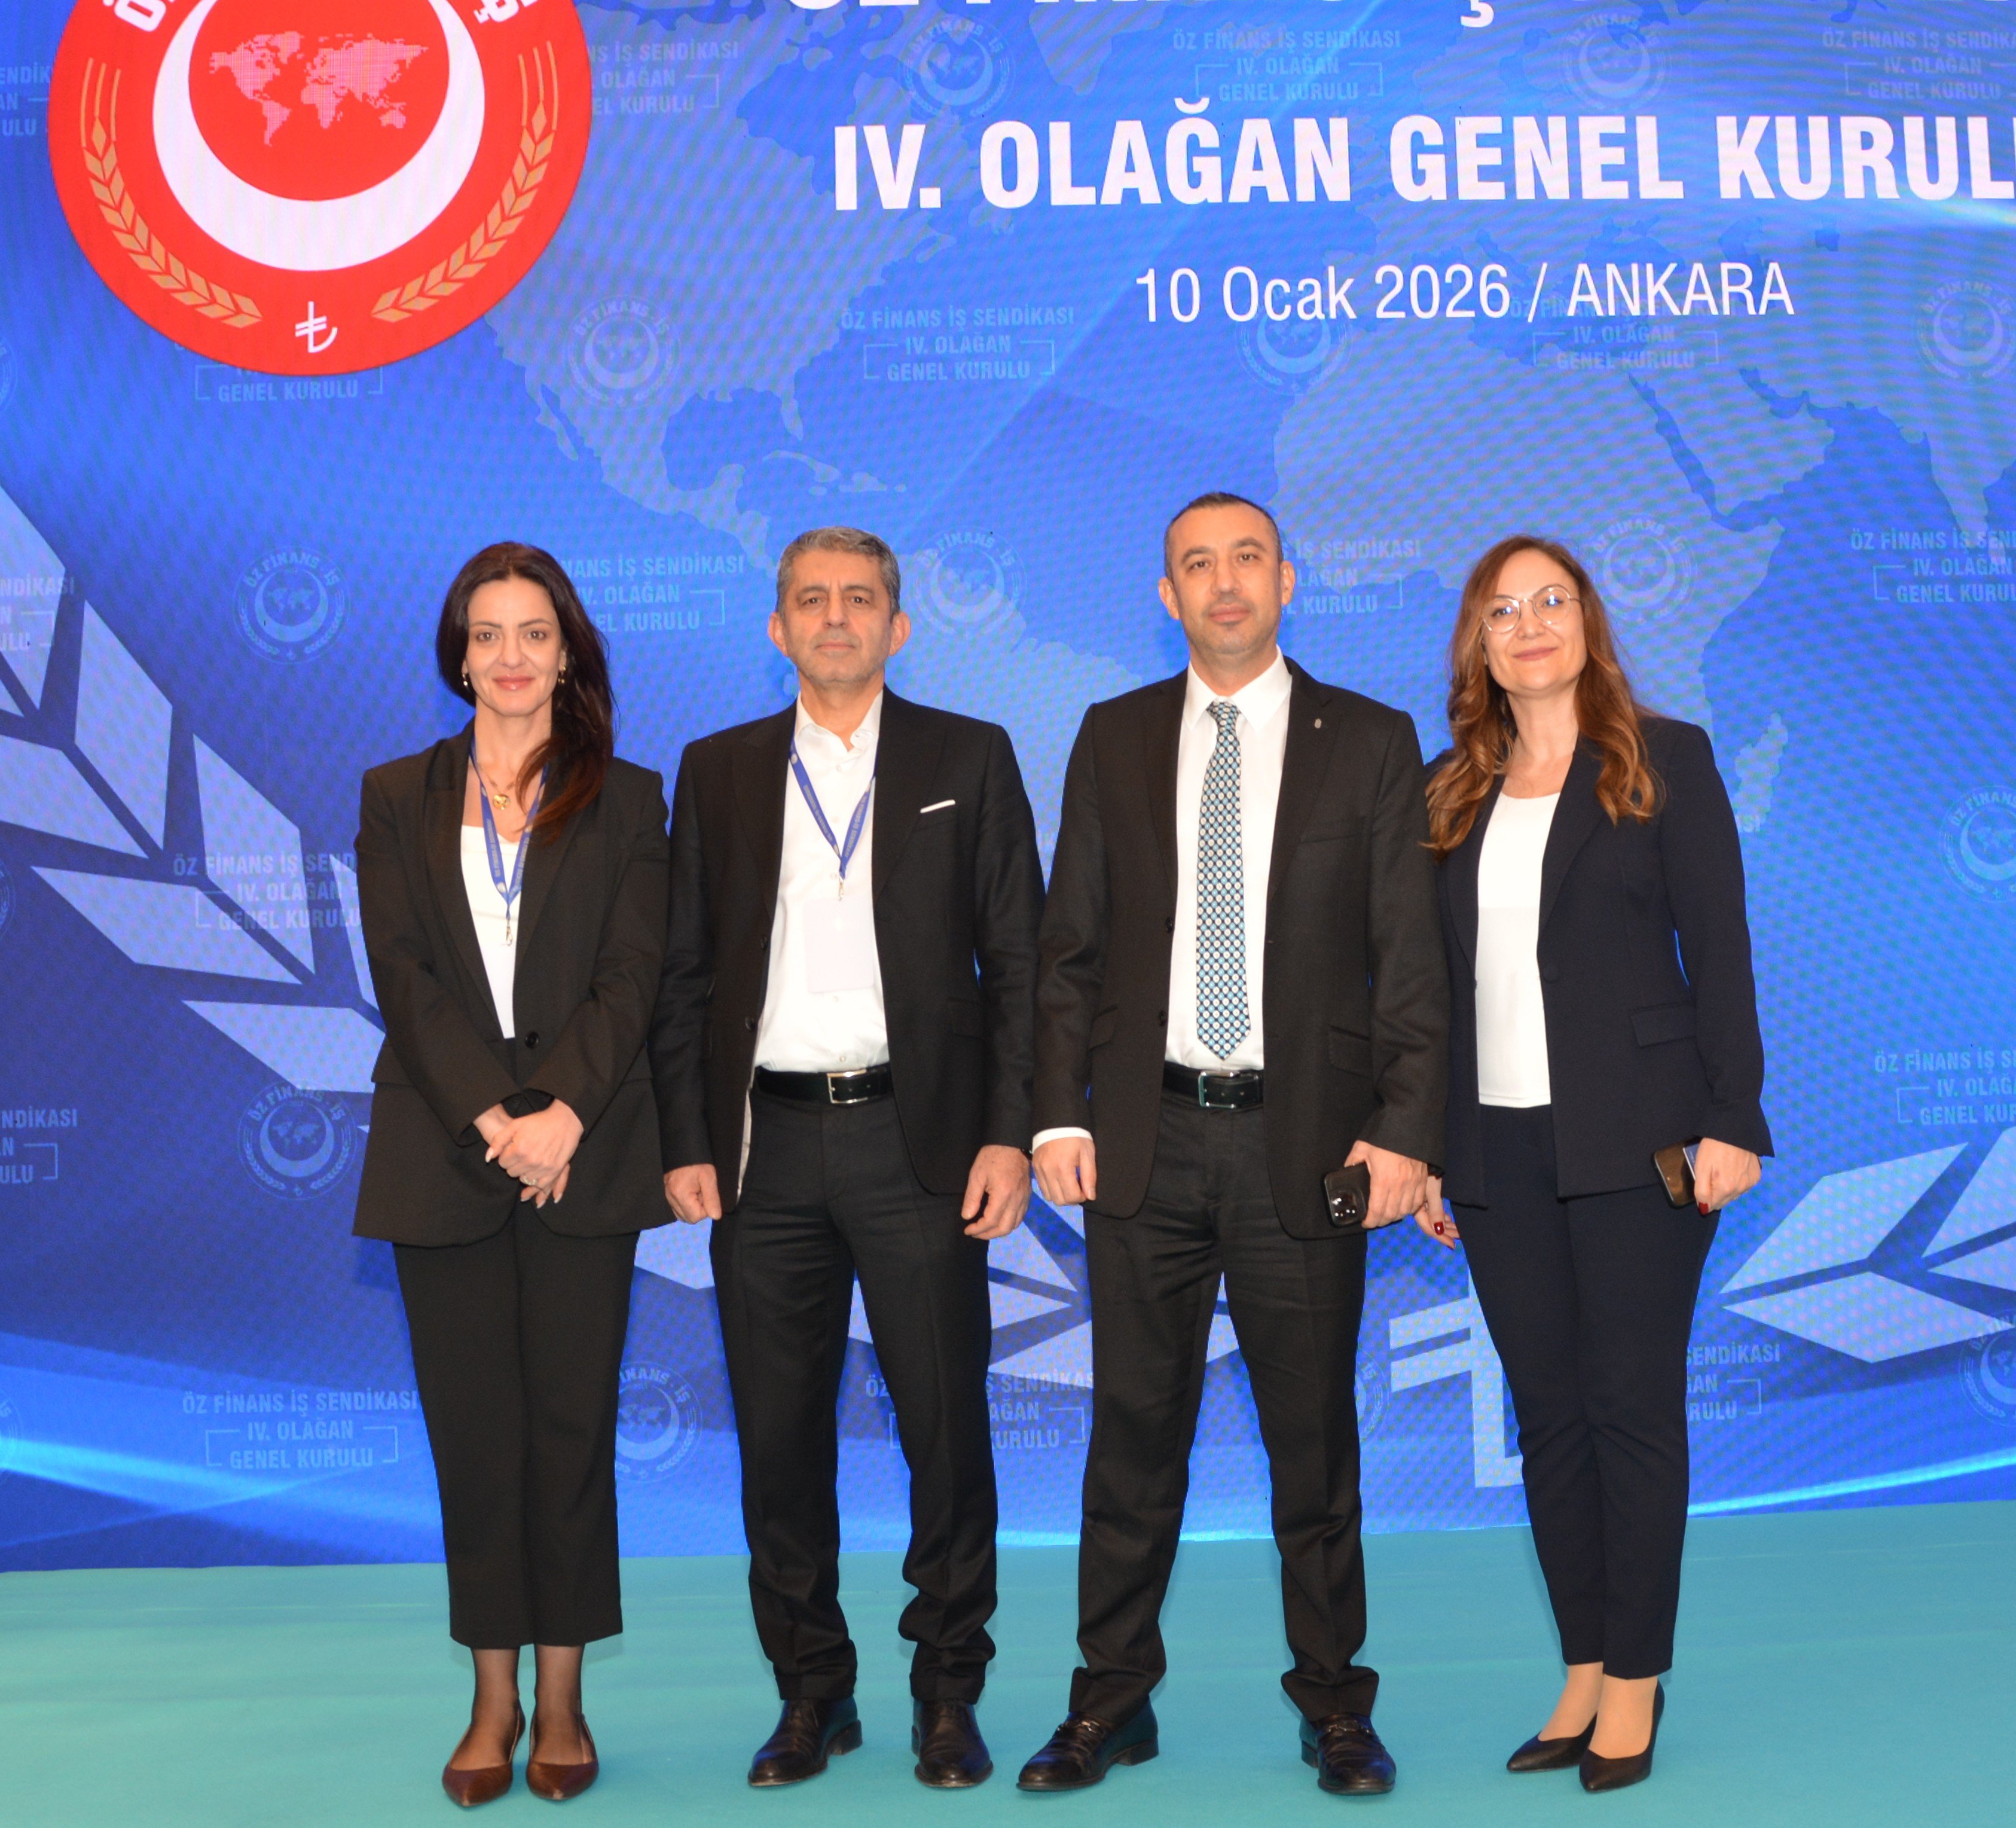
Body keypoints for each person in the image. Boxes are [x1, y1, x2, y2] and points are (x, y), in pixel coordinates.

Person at [1020, 492, 1448, 1796]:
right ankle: (1109, 1702)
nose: (1224, 583)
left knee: (1313, 1446)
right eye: (1197, 565)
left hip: (1304, 1151)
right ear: (1167, 596)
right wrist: (1056, 1111)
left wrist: (1404, 1131)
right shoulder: (1114, 734)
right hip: (1144, 1142)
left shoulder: (1368, 739)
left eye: (1246, 558)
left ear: (1287, 580)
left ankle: (1336, 1708)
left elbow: (1409, 957)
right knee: (1131, 1441)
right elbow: (1068, 946)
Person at [649, 527, 1043, 1790]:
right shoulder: (717, 769)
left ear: (898, 625)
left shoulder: (969, 757)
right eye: (811, 599)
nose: (835, 617)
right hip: (761, 1153)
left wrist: (1009, 1133)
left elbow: (1021, 965)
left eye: (859, 598)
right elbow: (682, 971)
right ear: (777, 627)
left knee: (946, 1431)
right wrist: (688, 1140)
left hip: (918, 1143)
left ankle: (948, 1690)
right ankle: (812, 1691)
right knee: (778, 1440)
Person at [1413, 535, 1769, 1793]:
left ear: (1589, 621)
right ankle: (1582, 1664)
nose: (1530, 624)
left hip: (1641, 1141)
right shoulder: (1449, 788)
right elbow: (1428, 988)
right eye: (1502, 609)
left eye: (1551, 600)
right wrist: (1433, 1148)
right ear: (1479, 643)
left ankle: (1637, 1678)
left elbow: (1720, 949)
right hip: (1496, 1148)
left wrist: (1737, 1118)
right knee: (1549, 1419)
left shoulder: (1664, 759)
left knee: (1629, 1407)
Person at [353, 544, 670, 1808]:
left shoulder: (629, 796)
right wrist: (497, 1119)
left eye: (534, 632)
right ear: (459, 656)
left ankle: (567, 1695)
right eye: (487, 635)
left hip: (582, 1161)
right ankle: (492, 1700)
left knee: (571, 1435)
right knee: (476, 1443)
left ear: (568, 649)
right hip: (446, 1156)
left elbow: (633, 976)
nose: (511, 656)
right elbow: (403, 976)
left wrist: (562, 1117)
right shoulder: (397, 793)